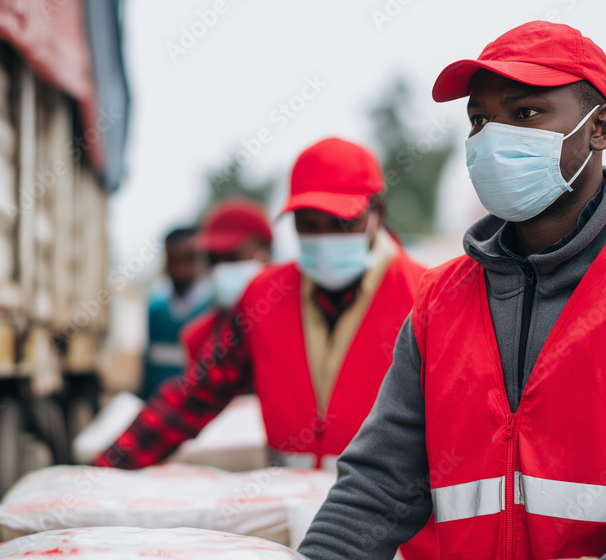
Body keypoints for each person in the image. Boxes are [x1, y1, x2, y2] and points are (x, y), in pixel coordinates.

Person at [298, 21, 606, 560]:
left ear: (600, 128)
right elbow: (377, 488)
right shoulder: (439, 300)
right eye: (479, 119)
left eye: (525, 113)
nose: (493, 137)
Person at [95, 137, 439, 560]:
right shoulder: (265, 297)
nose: (325, 237)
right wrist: (106, 469)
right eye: (308, 225)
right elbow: (194, 396)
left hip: (392, 537)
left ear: (377, 214)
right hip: (285, 524)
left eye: (342, 223)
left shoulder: (427, 297)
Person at [182, 198, 274, 370]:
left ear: (266, 253)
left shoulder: (296, 325)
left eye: (232, 257)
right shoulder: (199, 338)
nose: (222, 269)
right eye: (214, 260)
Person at [141, 227, 210, 398]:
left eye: (188, 259)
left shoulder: (211, 307)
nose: (180, 268)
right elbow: (148, 362)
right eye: (173, 260)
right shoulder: (155, 308)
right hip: (159, 401)